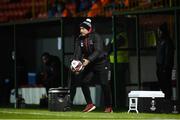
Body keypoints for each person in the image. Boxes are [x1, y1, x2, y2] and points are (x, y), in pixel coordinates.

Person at [70, 18, 113, 113]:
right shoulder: (79, 38)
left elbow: (98, 51)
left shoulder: (96, 36)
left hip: (102, 63)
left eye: (83, 29)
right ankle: (90, 104)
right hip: (90, 63)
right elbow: (77, 53)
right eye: (80, 28)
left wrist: (88, 60)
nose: (81, 30)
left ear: (89, 29)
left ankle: (108, 107)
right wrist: (75, 65)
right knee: (83, 81)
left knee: (104, 84)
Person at [156, 22, 175, 100]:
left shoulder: (167, 41)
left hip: (164, 67)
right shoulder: (161, 41)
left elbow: (168, 55)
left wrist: (165, 66)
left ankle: (167, 100)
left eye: (159, 31)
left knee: (166, 84)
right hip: (160, 66)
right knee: (162, 84)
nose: (158, 33)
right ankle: (164, 99)